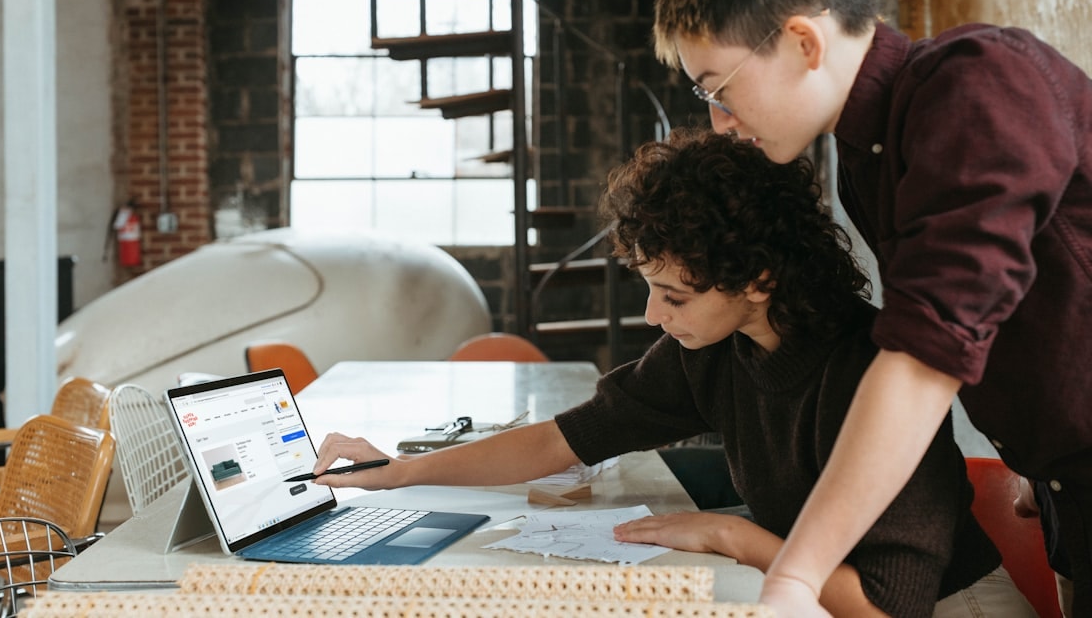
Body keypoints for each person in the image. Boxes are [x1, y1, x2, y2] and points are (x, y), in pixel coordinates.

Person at [311, 127, 1032, 617]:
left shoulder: (866, 372)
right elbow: (563, 439)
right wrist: (400, 470)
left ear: (757, 278)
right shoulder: (713, 350)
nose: (655, 315)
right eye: (650, 289)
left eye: (675, 295)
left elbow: (883, 606)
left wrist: (731, 535)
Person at [650, 0, 1092, 616]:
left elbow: (925, 355)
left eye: (719, 89)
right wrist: (1033, 446)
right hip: (1066, 501)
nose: (721, 122)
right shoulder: (868, 154)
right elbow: (1005, 307)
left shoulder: (976, 84)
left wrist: (796, 576)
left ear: (804, 42)